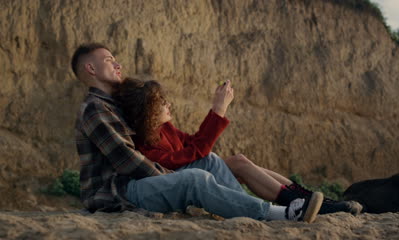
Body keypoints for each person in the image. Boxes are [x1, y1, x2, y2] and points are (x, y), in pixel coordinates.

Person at [71, 42, 324, 223]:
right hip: (116, 194)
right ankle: (277, 213)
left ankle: (248, 208)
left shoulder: (113, 105)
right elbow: (128, 162)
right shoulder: (95, 109)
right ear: (91, 69)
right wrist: (175, 176)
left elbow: (191, 148)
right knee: (194, 178)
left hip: (136, 183)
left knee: (209, 160)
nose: (118, 64)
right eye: (108, 60)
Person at [116, 77, 362, 214]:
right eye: (161, 102)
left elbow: (194, 145)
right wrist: (218, 110)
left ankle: (306, 199)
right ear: (148, 112)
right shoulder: (147, 147)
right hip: (177, 184)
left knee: (238, 161)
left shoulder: (163, 129)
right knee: (220, 161)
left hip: (193, 176)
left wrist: (217, 111)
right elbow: (196, 153)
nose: (168, 104)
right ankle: (294, 203)